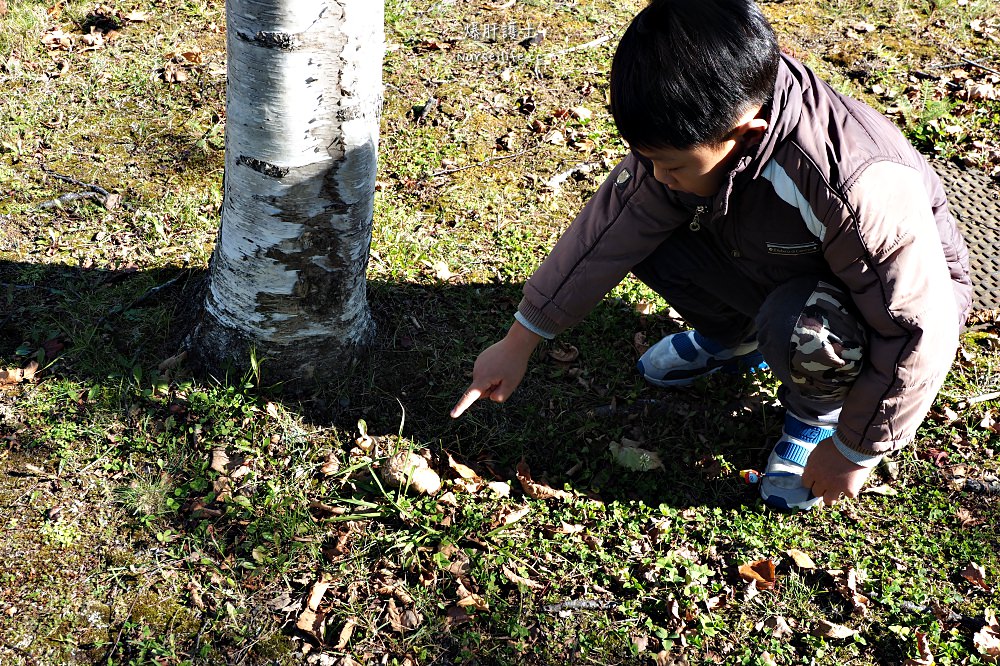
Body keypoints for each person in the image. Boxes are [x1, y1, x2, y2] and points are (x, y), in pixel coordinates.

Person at [449, 0, 972, 511]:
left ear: (745, 134)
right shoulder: (709, 112)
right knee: (643, 231)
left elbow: (917, 326)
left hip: (879, 305)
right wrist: (520, 340)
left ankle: (818, 414)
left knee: (801, 326)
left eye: (671, 164)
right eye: (648, 159)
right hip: (779, 261)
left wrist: (856, 449)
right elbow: (608, 230)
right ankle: (735, 339)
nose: (658, 176)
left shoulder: (853, 185)